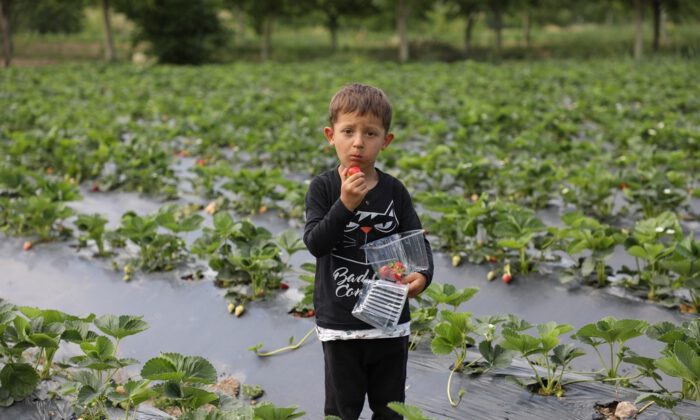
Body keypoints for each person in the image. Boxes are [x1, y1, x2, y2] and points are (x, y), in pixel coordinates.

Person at [303, 83, 434, 419]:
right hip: (340, 322)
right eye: (348, 131)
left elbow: (416, 242)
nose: (358, 142)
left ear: (385, 141)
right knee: (341, 409)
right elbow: (316, 243)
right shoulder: (324, 188)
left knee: (390, 408)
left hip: (389, 322)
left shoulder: (394, 191)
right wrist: (346, 203)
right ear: (331, 135)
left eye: (370, 133)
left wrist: (421, 275)